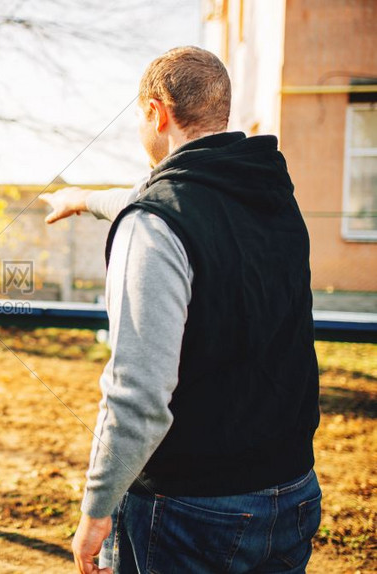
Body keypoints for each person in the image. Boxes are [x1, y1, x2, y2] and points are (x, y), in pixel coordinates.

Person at [40, 46, 321, 573]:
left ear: (156, 110)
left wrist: (95, 513)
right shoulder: (270, 196)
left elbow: (139, 395)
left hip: (193, 511)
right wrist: (81, 197)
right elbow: (160, 199)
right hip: (294, 493)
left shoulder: (156, 224)